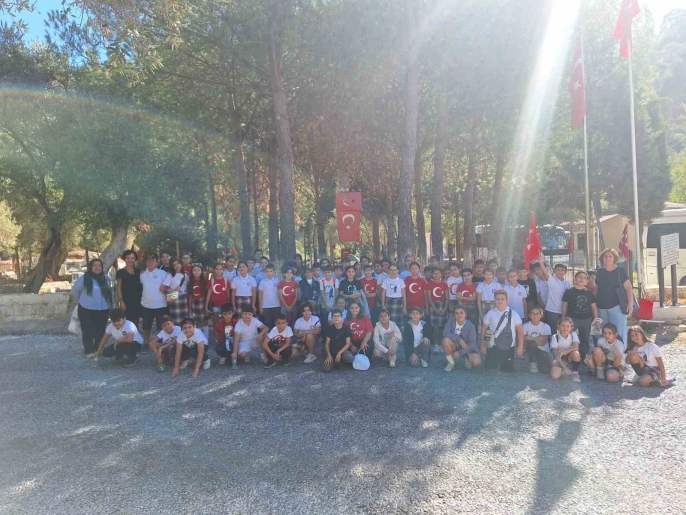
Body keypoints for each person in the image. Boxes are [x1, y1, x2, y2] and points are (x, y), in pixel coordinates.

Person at [71, 258, 113, 358]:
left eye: (99, 265)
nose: (97, 267)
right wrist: (84, 300)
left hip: (103, 309)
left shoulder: (106, 278)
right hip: (87, 309)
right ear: (90, 267)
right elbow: (75, 291)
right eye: (94, 265)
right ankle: (89, 350)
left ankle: (98, 348)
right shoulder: (84, 278)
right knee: (88, 330)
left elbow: (110, 291)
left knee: (100, 330)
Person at [595, 248, 634, 343]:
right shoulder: (600, 271)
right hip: (602, 308)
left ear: (614, 258)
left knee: (618, 333)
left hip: (617, 307)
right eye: (605, 256)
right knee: (604, 334)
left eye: (610, 256)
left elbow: (628, 287)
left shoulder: (620, 271)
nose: (607, 258)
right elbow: (597, 289)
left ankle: (621, 352)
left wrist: (630, 303)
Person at [480, 290, 524, 373]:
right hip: (493, 346)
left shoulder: (514, 314)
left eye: (502, 299)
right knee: (490, 368)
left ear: (507, 300)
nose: (500, 301)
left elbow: (520, 332)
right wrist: (483, 345)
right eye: (497, 299)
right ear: (494, 300)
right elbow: (483, 329)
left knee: (507, 370)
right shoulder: (490, 313)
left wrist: (520, 346)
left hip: (508, 347)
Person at [562, 270, 600, 361]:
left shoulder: (589, 293)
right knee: (569, 337)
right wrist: (563, 318)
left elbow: (594, 307)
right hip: (572, 319)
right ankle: (570, 356)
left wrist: (596, 319)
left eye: (584, 278)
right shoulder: (569, 292)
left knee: (585, 338)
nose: (582, 279)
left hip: (586, 319)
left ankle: (584, 357)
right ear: (575, 278)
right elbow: (565, 306)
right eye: (580, 277)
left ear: (587, 281)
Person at [139, 254, 169, 347]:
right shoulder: (142, 274)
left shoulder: (163, 273)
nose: (150, 263)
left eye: (153, 261)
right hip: (146, 305)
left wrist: (173, 298)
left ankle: (162, 343)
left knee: (162, 326)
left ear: (157, 262)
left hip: (161, 305)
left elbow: (169, 288)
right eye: (148, 261)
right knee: (146, 326)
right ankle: (146, 343)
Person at [537, 252, 570, 330]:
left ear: (565, 272)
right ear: (554, 271)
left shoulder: (567, 283)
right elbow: (544, 272)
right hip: (552, 310)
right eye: (558, 270)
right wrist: (541, 262)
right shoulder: (551, 280)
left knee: (563, 330)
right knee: (552, 330)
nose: (560, 272)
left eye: (562, 270)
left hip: (563, 310)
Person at [442, 306, 480, 372]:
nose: (459, 315)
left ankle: (466, 357)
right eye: (456, 313)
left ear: (465, 314)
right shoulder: (451, 321)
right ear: (454, 315)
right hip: (455, 344)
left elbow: (472, 343)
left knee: (476, 362)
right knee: (445, 341)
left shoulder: (470, 325)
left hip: (467, 347)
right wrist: (459, 339)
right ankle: (451, 362)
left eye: (461, 313)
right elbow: (446, 333)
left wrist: (460, 352)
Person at [116, 250, 143, 328]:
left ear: (135, 259)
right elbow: (118, 287)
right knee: (127, 322)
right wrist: (121, 301)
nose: (130, 260)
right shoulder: (120, 272)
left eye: (132, 258)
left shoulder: (138, 271)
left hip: (138, 300)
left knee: (136, 321)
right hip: (126, 301)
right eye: (128, 258)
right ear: (124, 259)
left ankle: (135, 334)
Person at [550, 317, 582, 383]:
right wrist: (565, 368)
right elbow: (557, 356)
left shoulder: (573, 334)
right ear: (559, 326)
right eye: (563, 326)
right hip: (560, 359)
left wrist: (564, 351)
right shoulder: (555, 337)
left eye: (568, 326)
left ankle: (575, 374)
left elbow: (576, 347)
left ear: (571, 327)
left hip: (570, 356)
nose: (565, 328)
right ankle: (563, 370)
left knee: (576, 353)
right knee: (555, 376)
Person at [522, 306, 552, 374]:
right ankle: (532, 362)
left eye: (537, 313)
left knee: (545, 370)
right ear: (529, 315)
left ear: (541, 315)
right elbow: (524, 339)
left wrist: (530, 338)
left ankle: (538, 362)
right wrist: (537, 339)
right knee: (532, 343)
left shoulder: (546, 326)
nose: (535, 315)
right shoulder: (525, 326)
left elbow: (543, 342)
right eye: (532, 313)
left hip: (543, 349)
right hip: (531, 348)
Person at [161, 258, 189, 326]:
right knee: (176, 322)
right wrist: (174, 291)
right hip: (174, 298)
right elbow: (162, 288)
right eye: (174, 265)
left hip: (184, 299)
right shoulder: (171, 275)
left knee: (185, 322)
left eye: (178, 263)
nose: (177, 266)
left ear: (181, 263)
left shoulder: (186, 275)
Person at [427, 267, 449, 350]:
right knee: (435, 327)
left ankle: (442, 343)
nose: (437, 275)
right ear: (432, 275)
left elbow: (447, 298)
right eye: (435, 273)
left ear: (441, 275)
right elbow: (429, 298)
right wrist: (435, 309)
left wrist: (445, 309)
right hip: (433, 305)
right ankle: (436, 344)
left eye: (438, 273)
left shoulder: (444, 284)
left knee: (442, 326)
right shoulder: (429, 285)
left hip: (443, 305)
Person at [206, 263, 231, 329]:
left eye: (220, 269)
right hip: (215, 304)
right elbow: (208, 295)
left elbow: (228, 295)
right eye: (217, 269)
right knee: (215, 321)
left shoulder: (226, 281)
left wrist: (229, 305)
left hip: (224, 304)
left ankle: (225, 333)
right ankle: (216, 333)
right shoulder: (212, 281)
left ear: (223, 270)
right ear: (214, 270)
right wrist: (206, 306)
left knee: (225, 321)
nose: (219, 271)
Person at [187, 263, 209, 339]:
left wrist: (207, 307)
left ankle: (206, 340)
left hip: (203, 303)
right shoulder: (190, 282)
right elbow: (190, 296)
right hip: (194, 304)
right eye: (195, 270)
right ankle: (199, 339)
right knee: (197, 323)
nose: (196, 272)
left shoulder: (205, 281)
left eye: (198, 270)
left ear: (201, 271)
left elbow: (207, 295)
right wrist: (190, 308)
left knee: (205, 322)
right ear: (192, 272)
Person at [258, 264, 282, 330]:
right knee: (267, 323)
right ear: (265, 272)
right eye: (267, 271)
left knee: (276, 323)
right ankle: (268, 336)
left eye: (271, 271)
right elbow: (260, 295)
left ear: (274, 272)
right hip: (266, 306)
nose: (269, 273)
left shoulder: (277, 281)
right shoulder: (262, 282)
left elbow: (280, 293)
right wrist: (260, 307)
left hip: (276, 305)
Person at [214, 304, 237, 368]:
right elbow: (217, 335)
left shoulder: (236, 323)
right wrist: (221, 342)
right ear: (222, 314)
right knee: (218, 347)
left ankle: (234, 356)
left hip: (234, 343)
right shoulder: (218, 324)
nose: (228, 316)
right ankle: (223, 355)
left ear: (233, 313)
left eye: (229, 313)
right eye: (225, 314)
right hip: (224, 342)